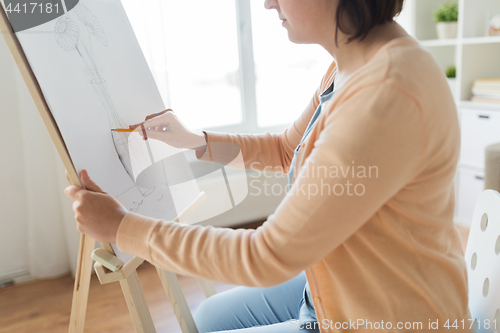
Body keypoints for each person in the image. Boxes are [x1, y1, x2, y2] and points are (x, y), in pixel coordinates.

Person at [64, 0, 472, 332]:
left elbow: (265, 256)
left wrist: (122, 228)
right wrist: (194, 142)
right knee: (202, 319)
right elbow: (284, 151)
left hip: (388, 317)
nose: (266, 3)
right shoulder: (347, 63)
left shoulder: (385, 93)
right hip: (334, 279)